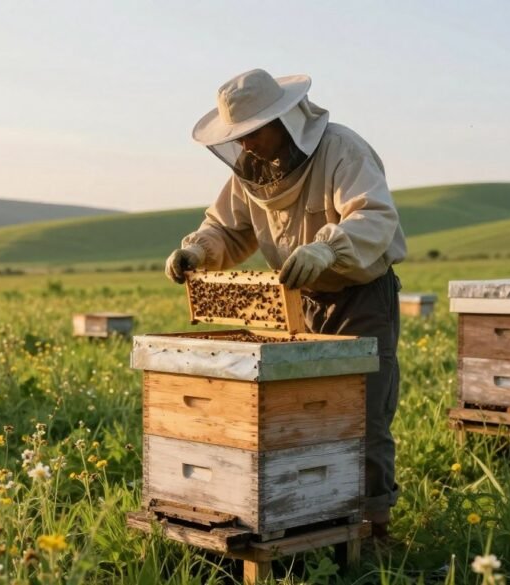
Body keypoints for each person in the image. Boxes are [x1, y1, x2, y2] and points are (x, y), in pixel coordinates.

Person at [164, 68, 407, 539]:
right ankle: (320, 517)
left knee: (364, 415)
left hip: (361, 297)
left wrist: (328, 248)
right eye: (239, 137)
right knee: (304, 414)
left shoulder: (342, 149)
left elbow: (374, 214)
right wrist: (197, 250)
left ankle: (376, 529)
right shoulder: (251, 173)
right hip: (299, 300)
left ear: (283, 121)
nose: (247, 146)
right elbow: (227, 229)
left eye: (253, 134)